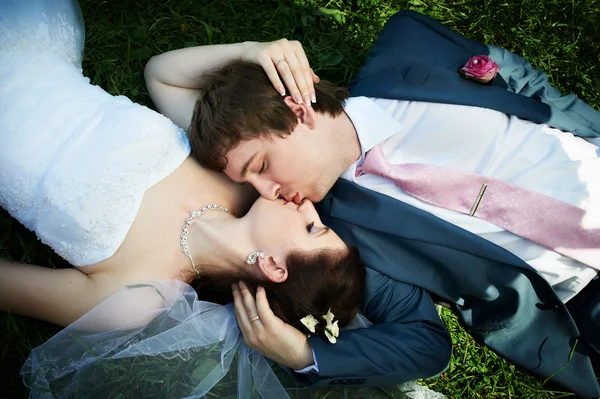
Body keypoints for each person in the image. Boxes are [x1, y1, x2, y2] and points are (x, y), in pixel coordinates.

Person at [0, 1, 450, 397]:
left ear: (274, 267)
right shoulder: (235, 177)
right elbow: (163, 76)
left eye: (314, 228)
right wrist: (250, 51)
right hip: (33, 56)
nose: (310, 205)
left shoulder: (137, 299)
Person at [186, 10, 600, 398]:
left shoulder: (409, 43)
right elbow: (422, 342)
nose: (265, 191)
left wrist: (252, 52)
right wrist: (303, 355)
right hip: (587, 293)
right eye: (249, 182)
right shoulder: (340, 236)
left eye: (261, 166)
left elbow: (523, 83)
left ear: (298, 111)